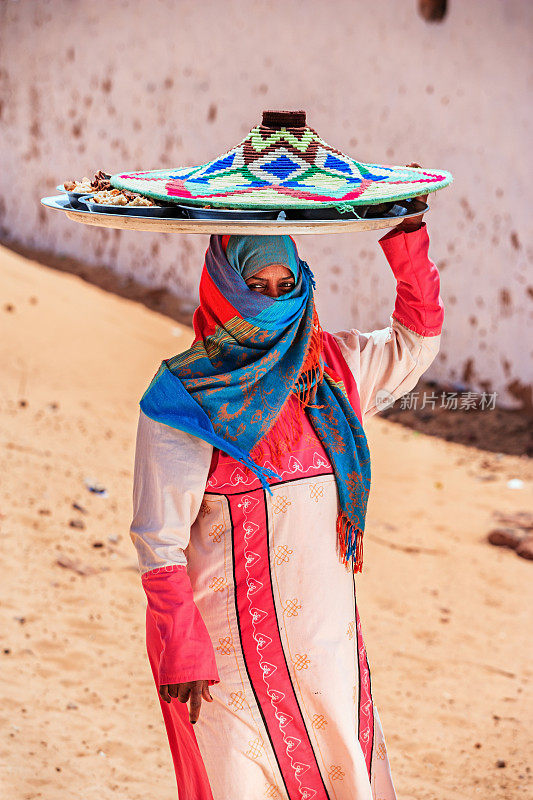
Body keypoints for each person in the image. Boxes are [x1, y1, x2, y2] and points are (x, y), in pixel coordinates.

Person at [129, 176, 444, 800]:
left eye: (285, 286)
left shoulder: (334, 371)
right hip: (227, 672)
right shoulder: (182, 402)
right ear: (222, 289)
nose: (273, 303)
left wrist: (407, 239)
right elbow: (159, 543)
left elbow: (416, 341)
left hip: (328, 654)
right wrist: (182, 651)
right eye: (255, 287)